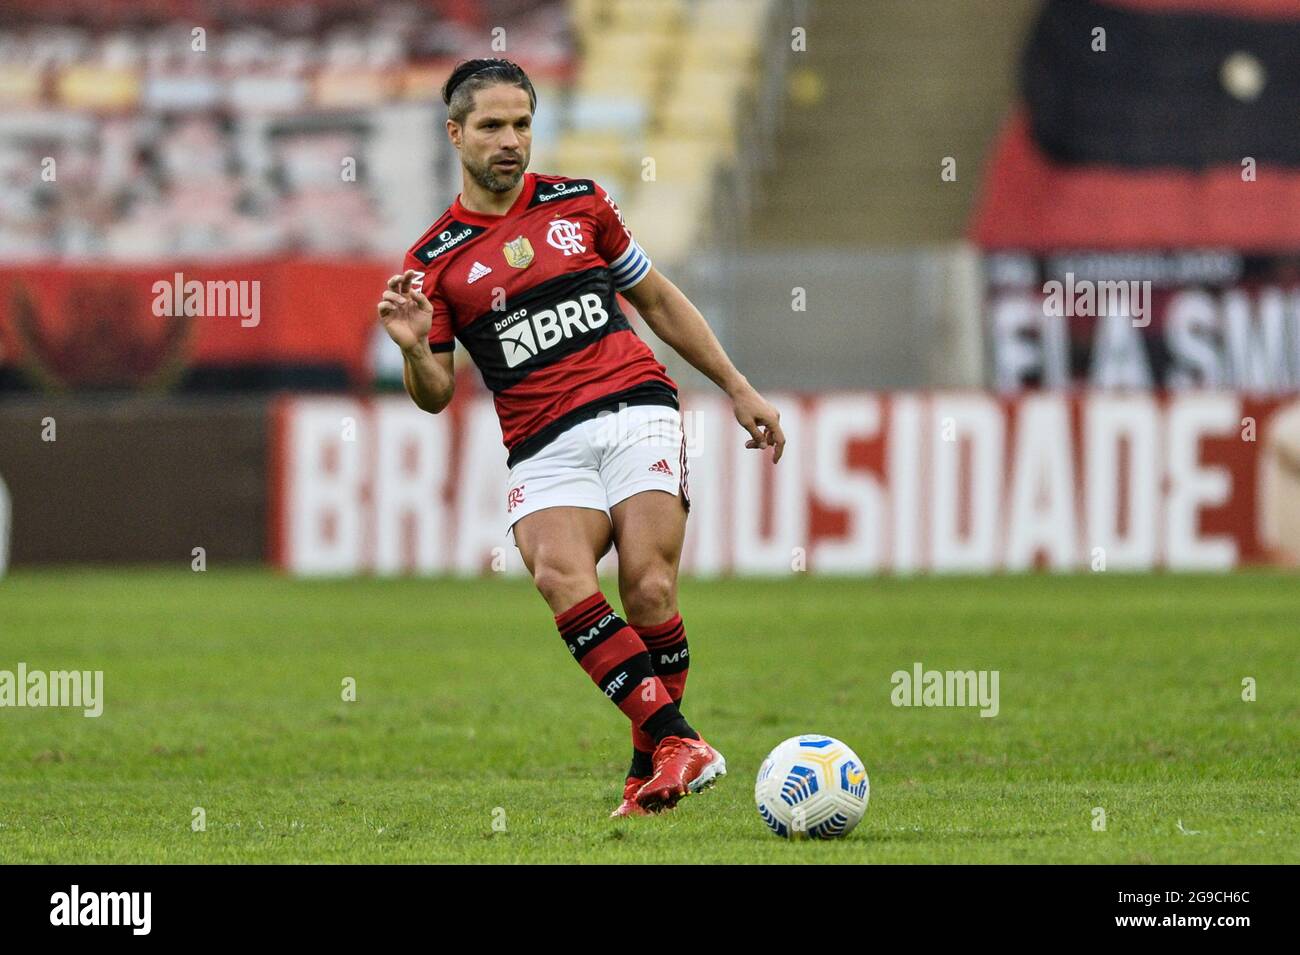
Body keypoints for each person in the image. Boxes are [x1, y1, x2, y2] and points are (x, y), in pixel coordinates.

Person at [377, 58, 785, 815]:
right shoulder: (431, 263)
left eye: (522, 124)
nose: (510, 141)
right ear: (455, 133)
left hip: (636, 406)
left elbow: (657, 299)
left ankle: (658, 756)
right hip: (540, 440)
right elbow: (434, 395)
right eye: (493, 126)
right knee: (559, 575)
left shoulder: (582, 204)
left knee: (650, 586)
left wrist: (736, 384)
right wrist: (410, 345)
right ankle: (673, 743)